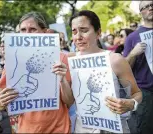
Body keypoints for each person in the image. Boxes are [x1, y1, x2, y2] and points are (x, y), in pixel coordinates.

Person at [61, 10, 142, 133]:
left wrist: (130, 104)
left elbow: (137, 94)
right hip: (82, 129)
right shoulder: (70, 59)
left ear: (98, 32)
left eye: (84, 30)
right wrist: (61, 79)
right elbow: (69, 101)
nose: (78, 37)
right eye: (74, 31)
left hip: (114, 129)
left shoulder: (115, 60)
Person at [0, 11, 71, 133]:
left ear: (44, 32)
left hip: (59, 129)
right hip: (27, 129)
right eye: (23, 30)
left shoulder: (61, 59)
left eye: (32, 29)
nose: (27, 34)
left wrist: (62, 80)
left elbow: (69, 101)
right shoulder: (13, 61)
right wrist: (1, 102)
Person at [123, 1, 153, 133]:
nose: (150, 8)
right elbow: (125, 67)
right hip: (146, 92)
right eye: (145, 7)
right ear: (141, 13)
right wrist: (133, 54)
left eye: (152, 4)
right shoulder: (132, 37)